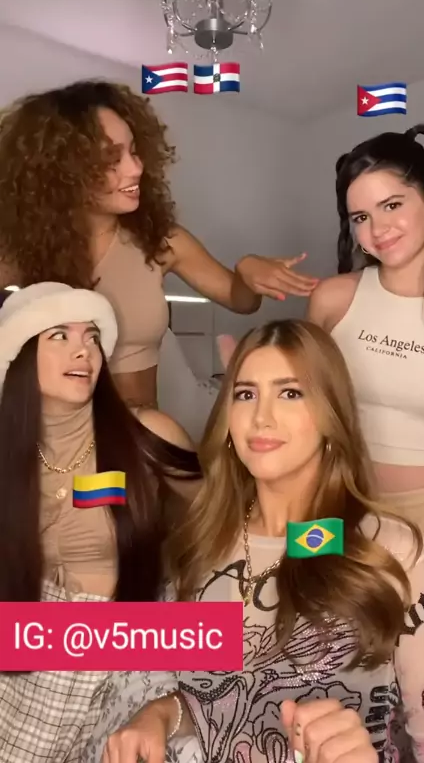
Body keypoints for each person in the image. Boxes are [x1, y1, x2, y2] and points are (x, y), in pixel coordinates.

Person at [85, 320, 424, 763]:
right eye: (245, 394)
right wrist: (164, 713)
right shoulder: (200, 546)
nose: (262, 416)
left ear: (331, 414)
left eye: (290, 393)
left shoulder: (389, 551)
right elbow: (221, 694)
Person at [0, 79, 319, 414]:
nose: (135, 168)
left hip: (143, 434)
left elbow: (241, 301)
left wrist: (247, 273)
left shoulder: (162, 241)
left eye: (133, 151)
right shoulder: (22, 246)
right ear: (63, 172)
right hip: (57, 436)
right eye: (112, 159)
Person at [306, 124, 424, 725]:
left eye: (391, 205)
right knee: (331, 700)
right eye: (360, 217)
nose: (377, 229)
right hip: (339, 516)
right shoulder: (333, 299)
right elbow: (304, 412)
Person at [0, 282, 201, 763]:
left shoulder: (145, 433)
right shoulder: (11, 455)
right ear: (20, 355)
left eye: (91, 336)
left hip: (123, 653)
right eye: (60, 335)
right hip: (26, 655)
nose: (83, 350)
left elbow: (228, 522)